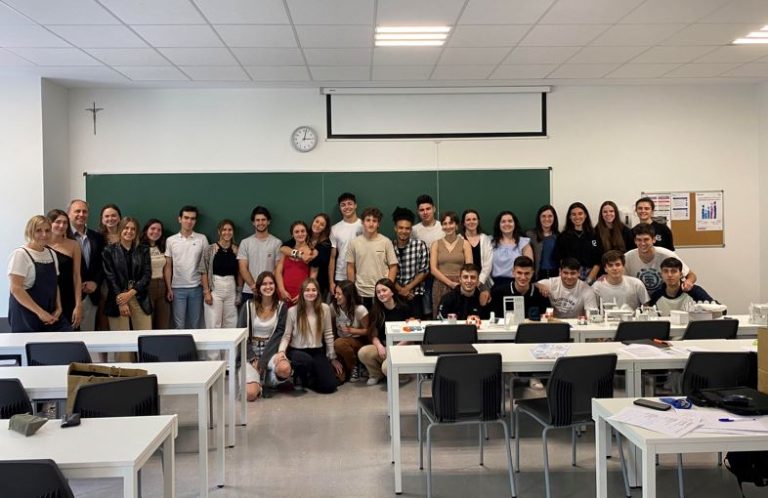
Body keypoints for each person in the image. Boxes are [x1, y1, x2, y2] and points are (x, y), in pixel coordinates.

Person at [275, 278, 342, 394]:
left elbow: (328, 334)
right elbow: (286, 335)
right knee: (305, 360)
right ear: (302, 292)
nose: (310, 293)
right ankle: (299, 375)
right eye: (307, 290)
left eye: (313, 290)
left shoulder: (325, 309)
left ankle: (308, 379)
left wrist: (332, 357)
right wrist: (281, 351)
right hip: (297, 351)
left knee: (330, 386)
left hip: (317, 351)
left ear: (318, 292)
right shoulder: (292, 311)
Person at [7, 215, 71, 332]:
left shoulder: (51, 254)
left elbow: (54, 284)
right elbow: (16, 289)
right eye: (38, 231)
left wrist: (59, 308)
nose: (44, 234)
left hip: (50, 313)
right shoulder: (21, 254)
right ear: (30, 232)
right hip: (26, 315)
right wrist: (40, 312)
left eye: (47, 230)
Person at [102, 216, 152, 361]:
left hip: (138, 295)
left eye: (133, 229)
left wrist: (131, 293)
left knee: (145, 338)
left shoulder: (143, 250)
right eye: (126, 228)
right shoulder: (108, 251)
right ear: (120, 229)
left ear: (137, 232)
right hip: (118, 297)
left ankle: (146, 369)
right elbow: (110, 278)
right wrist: (122, 301)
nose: (129, 231)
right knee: (122, 342)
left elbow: (147, 275)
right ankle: (124, 370)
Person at [242, 271, 290, 401]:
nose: (268, 287)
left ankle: (268, 378)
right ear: (258, 287)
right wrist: (252, 357)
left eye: (271, 283)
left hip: (271, 349)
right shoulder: (248, 306)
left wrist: (262, 362)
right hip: (251, 351)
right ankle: (261, 383)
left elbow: (279, 334)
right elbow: (241, 334)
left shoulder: (281, 307)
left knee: (285, 369)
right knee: (250, 394)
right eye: (264, 284)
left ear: (275, 286)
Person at [357, 278, 412, 386]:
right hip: (385, 345)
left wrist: (394, 348)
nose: (381, 294)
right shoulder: (376, 310)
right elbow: (373, 334)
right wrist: (379, 346)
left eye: (384, 290)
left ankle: (402, 375)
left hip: (401, 346)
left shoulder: (404, 308)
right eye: (378, 292)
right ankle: (376, 374)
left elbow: (410, 336)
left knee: (386, 368)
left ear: (392, 292)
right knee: (363, 352)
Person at [164, 205, 208, 329]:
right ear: (180, 219)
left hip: (196, 288)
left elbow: (206, 265)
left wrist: (206, 289)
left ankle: (195, 343)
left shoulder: (202, 239)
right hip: (177, 289)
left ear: (195, 221)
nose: (189, 221)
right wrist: (169, 288)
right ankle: (180, 344)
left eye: (192, 218)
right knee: (179, 325)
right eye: (186, 218)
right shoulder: (171, 240)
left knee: (195, 324)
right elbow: (168, 266)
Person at [346, 207, 398, 309]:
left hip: (381, 293)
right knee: (363, 319)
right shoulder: (354, 243)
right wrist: (352, 289)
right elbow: (350, 266)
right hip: (360, 291)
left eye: (374, 221)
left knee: (380, 319)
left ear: (378, 224)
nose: (371, 224)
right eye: (368, 220)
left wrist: (387, 287)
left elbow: (393, 266)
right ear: (362, 222)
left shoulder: (386, 242)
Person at [624, 224, 696, 295]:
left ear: (654, 240)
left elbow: (691, 275)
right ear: (635, 241)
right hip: (639, 298)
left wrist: (688, 282)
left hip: (664, 297)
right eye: (639, 240)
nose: (643, 243)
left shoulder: (667, 255)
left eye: (646, 239)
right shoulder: (627, 257)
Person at [67, 199, 105, 331]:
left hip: (91, 295)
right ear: (69, 214)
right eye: (77, 211)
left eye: (84, 211)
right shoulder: (62, 237)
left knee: (88, 335)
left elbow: (102, 264)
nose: (81, 214)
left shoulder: (97, 237)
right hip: (68, 295)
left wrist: (95, 282)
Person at [201, 219, 242, 334]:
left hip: (231, 288)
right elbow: (203, 271)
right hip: (215, 288)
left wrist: (239, 292)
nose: (227, 232)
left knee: (231, 323)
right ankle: (213, 347)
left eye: (230, 230)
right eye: (224, 230)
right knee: (213, 322)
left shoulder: (237, 250)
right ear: (219, 231)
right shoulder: (210, 249)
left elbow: (240, 272)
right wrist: (206, 292)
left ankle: (229, 347)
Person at [430, 210, 473, 313]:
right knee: (440, 315)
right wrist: (450, 283)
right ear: (442, 226)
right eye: (445, 223)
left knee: (461, 314)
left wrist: (459, 284)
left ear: (456, 225)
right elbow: (433, 269)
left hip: (461, 285)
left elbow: (469, 268)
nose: (448, 226)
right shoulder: (435, 244)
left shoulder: (465, 244)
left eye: (451, 223)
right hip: (440, 284)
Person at [46, 209, 82, 330]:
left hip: (68, 297)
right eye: (57, 222)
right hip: (46, 296)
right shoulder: (41, 245)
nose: (61, 226)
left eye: (65, 223)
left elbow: (77, 276)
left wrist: (78, 305)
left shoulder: (74, 245)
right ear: (49, 223)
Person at [238, 205, 282, 303]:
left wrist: (266, 285)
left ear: (268, 221)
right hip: (249, 291)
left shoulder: (277, 243)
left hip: (269, 290)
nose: (260, 223)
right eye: (257, 220)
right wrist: (253, 286)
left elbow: (278, 268)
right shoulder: (245, 243)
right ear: (253, 222)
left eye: (263, 220)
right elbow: (243, 268)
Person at [391, 207, 428, 318]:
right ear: (395, 228)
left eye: (407, 228)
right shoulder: (389, 246)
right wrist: (400, 290)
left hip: (415, 295)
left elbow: (424, 271)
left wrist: (407, 289)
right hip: (394, 296)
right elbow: (386, 271)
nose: (404, 231)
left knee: (416, 326)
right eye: (400, 228)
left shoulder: (420, 245)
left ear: (411, 229)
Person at [411, 194, 444, 318]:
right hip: (422, 277)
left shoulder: (443, 227)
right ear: (418, 212)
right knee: (426, 311)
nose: (425, 212)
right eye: (422, 210)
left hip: (441, 274)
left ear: (434, 209)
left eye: (428, 209)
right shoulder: (414, 230)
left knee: (440, 308)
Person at [553, 202, 602, 283]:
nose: (577, 217)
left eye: (580, 214)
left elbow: (598, 261)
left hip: (590, 276)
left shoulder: (594, 236)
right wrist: (569, 276)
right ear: (569, 217)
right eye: (574, 214)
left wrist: (589, 280)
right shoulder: (563, 237)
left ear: (585, 215)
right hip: (570, 276)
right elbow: (560, 259)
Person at [649, 258, 717, 316]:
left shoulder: (694, 291)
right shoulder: (656, 295)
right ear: (661, 275)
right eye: (666, 271)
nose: (669, 275)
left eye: (673, 271)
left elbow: (718, 309)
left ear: (681, 275)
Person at [331, 280, 369, 383]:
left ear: (348, 295)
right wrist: (332, 355)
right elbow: (331, 330)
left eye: (339, 294)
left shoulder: (360, 310)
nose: (336, 296)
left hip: (358, 342)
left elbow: (369, 331)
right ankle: (350, 368)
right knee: (338, 378)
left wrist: (353, 330)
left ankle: (355, 366)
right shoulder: (333, 307)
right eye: (335, 293)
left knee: (339, 343)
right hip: (341, 343)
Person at [490, 210, 533, 297]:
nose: (507, 224)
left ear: (515, 224)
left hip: (517, 285)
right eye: (503, 221)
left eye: (510, 221)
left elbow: (529, 267)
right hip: (495, 285)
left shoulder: (523, 243)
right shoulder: (491, 243)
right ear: (499, 225)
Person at [275, 221, 318, 306]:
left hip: (302, 294)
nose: (300, 234)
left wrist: (303, 293)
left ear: (307, 233)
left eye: (303, 231)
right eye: (297, 232)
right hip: (284, 293)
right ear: (292, 235)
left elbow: (312, 277)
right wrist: (281, 289)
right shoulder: (286, 251)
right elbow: (278, 271)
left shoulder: (312, 252)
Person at [329, 193, 362, 296]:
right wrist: (331, 282)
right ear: (340, 208)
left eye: (349, 203)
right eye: (343, 205)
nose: (347, 207)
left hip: (362, 275)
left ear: (355, 205)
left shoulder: (364, 226)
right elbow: (332, 258)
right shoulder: (334, 229)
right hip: (341, 276)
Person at [140, 218, 171, 329]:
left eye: (159, 230)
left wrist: (169, 289)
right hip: (147, 287)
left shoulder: (162, 247)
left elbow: (167, 269)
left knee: (163, 324)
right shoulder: (139, 247)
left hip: (162, 287)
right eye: (152, 229)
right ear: (146, 230)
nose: (156, 232)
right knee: (147, 325)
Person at [461, 209, 493, 288]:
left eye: (474, 219)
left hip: (482, 281)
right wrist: (466, 281)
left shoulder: (485, 239)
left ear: (478, 222)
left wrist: (479, 281)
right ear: (464, 223)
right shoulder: (459, 239)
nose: (471, 222)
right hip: (463, 282)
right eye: (468, 220)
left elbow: (488, 263)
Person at [526, 204, 560, 280]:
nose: (547, 219)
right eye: (543, 216)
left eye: (550, 216)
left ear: (554, 218)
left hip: (555, 275)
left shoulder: (559, 237)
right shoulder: (530, 235)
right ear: (539, 218)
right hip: (537, 274)